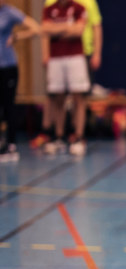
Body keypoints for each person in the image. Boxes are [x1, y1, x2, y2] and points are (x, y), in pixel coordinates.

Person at [40, 0, 89, 157]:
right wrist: (68, 27)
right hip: (56, 58)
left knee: (78, 97)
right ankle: (58, 136)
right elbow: (45, 29)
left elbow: (79, 31)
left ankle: (78, 137)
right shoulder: (49, 10)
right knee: (58, 98)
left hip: (75, 57)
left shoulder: (79, 8)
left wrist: (56, 29)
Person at [0, 0, 40, 163]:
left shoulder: (9, 12)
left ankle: (11, 145)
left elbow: (35, 28)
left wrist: (17, 36)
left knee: (8, 105)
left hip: (8, 67)